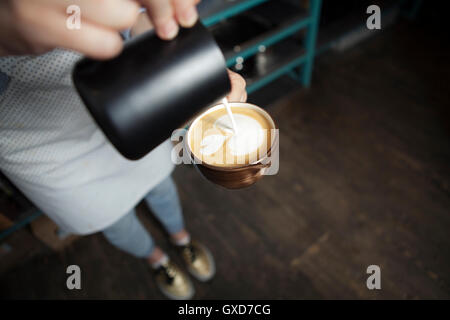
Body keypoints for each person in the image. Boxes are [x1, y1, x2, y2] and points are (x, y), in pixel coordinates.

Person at [0, 0, 247, 300]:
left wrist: (177, 61)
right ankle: (158, 259)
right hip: (43, 150)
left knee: (160, 184)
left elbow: (139, 20)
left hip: (133, 108)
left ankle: (182, 239)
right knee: (112, 218)